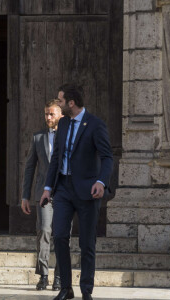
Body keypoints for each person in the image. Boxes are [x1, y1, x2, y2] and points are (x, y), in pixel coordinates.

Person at [40, 84, 113, 300]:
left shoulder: (95, 125)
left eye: (61, 101)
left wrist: (101, 181)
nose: (59, 103)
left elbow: (108, 157)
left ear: (71, 103)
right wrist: (47, 188)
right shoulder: (62, 124)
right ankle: (65, 288)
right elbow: (56, 158)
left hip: (88, 191)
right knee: (60, 236)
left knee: (87, 242)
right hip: (62, 189)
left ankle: (86, 290)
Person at [22, 99, 63, 291]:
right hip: (43, 195)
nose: (48, 117)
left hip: (65, 193)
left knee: (62, 235)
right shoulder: (38, 138)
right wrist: (25, 196)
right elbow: (30, 168)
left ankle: (60, 277)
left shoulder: (69, 136)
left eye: (51, 114)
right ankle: (44, 275)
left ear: (61, 114)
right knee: (45, 231)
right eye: (46, 113)